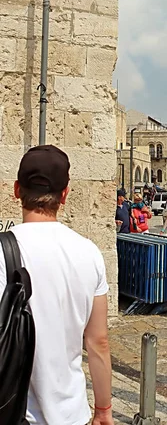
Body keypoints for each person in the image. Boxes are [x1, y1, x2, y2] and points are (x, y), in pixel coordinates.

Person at [0, 145, 114, 425]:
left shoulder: (2, 253)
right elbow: (97, 342)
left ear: (17, 190)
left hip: (13, 412)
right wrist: (103, 410)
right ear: (65, 194)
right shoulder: (89, 253)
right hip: (71, 413)